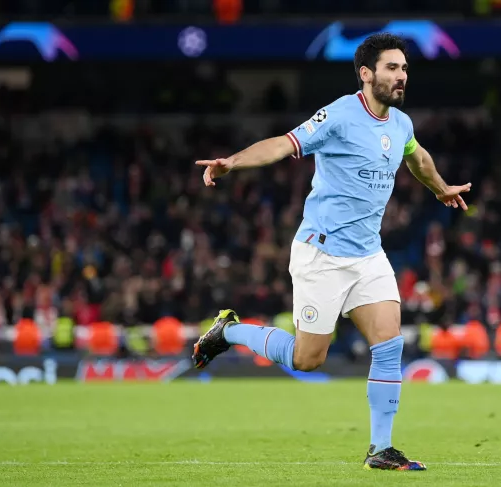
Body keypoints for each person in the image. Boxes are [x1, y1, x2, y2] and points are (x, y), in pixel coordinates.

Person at [192, 33, 471, 471]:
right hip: (321, 255)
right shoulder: (339, 115)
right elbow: (283, 143)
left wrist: (440, 189)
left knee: (389, 345)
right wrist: (233, 162)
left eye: (404, 69)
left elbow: (416, 157)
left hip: (368, 255)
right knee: (307, 359)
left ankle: (381, 449)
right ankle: (228, 331)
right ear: (367, 74)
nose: (401, 76)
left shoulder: (401, 124)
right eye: (392, 68)